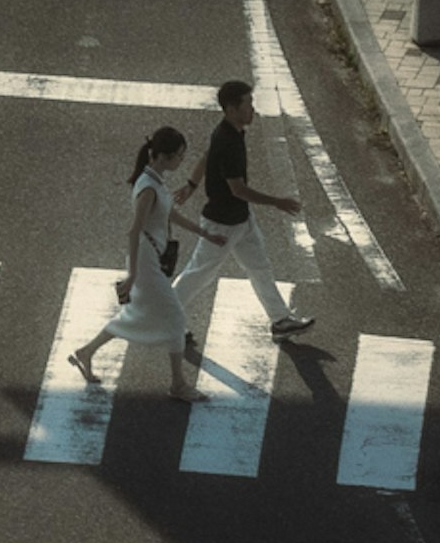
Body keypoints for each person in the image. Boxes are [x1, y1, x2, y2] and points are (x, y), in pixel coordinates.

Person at [84, 125, 222, 389]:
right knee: (175, 318)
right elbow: (133, 231)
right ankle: (178, 384)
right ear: (163, 156)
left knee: (139, 314)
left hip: (150, 260)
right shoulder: (148, 187)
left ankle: (86, 352)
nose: (182, 161)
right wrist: (133, 274)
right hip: (146, 263)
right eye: (179, 156)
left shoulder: (155, 182)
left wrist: (204, 233)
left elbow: (170, 214)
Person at [194, 69, 315, 341]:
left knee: (260, 267)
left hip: (240, 221)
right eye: (248, 104)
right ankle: (164, 316)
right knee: (199, 274)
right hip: (222, 224)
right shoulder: (227, 141)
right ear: (232, 109)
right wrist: (277, 202)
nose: (253, 108)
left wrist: (191, 185)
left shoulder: (230, 132)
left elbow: (206, 156)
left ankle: (280, 320)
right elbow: (237, 189)